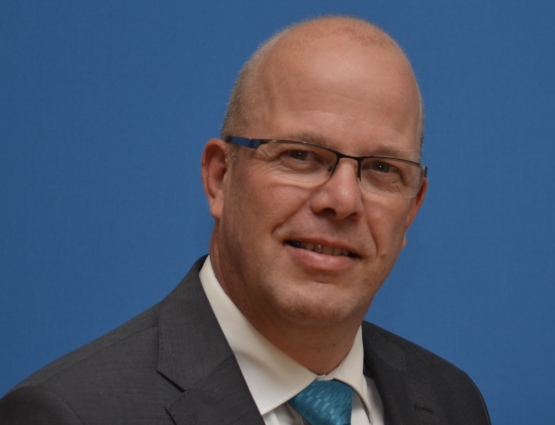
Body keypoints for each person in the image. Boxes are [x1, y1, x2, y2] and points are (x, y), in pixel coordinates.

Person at [0, 16, 491, 425]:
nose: (343, 200)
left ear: (412, 208)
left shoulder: (451, 403)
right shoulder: (72, 413)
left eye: (382, 169)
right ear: (220, 178)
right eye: (300, 155)